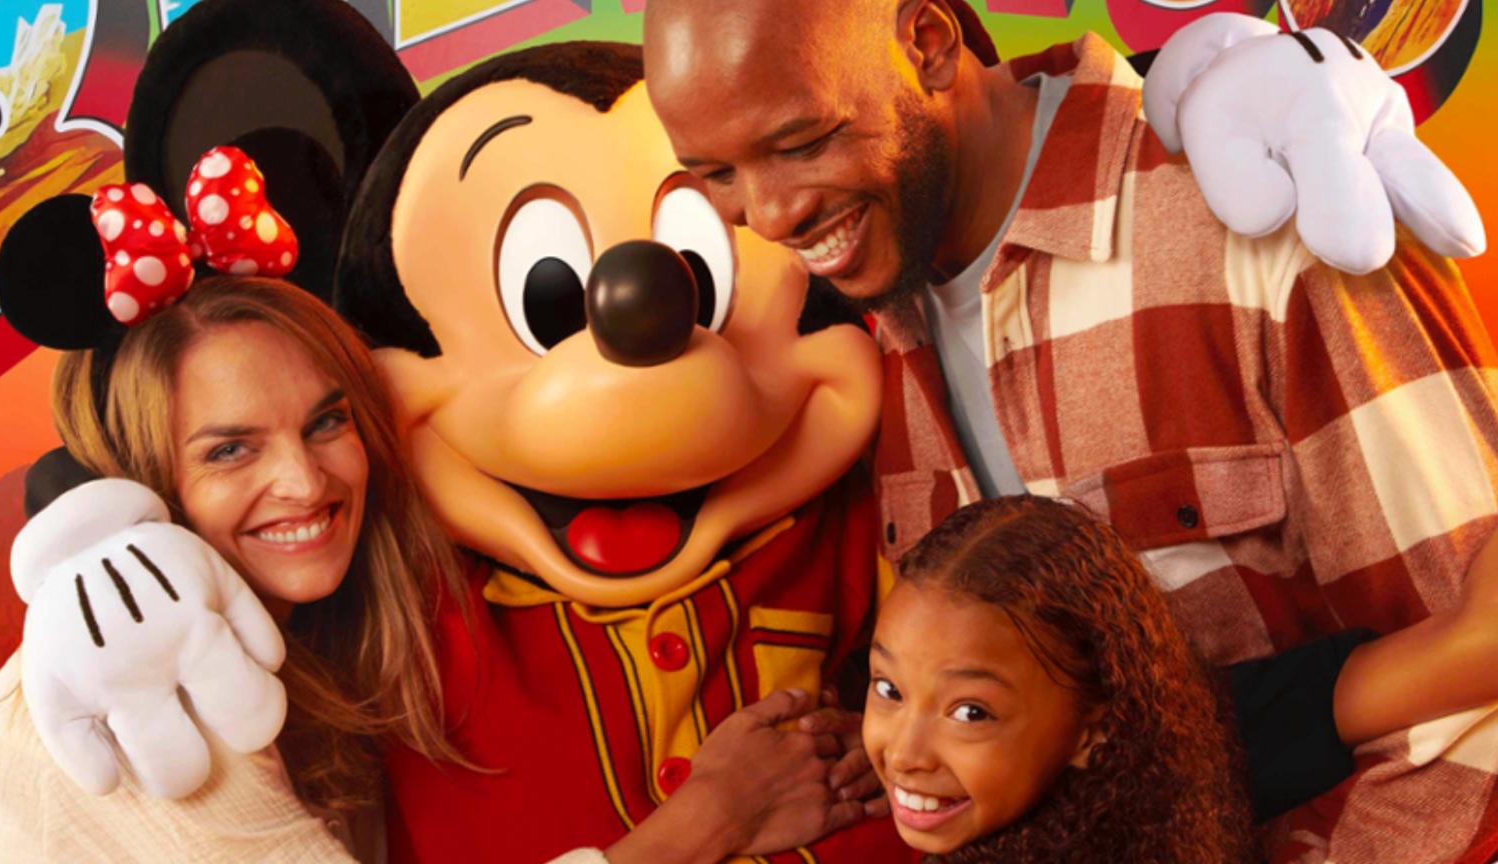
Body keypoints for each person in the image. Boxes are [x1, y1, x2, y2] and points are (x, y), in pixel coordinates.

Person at [642, 1, 1498, 859]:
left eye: (801, 144)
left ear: (928, 43)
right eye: (715, 174)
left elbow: (1477, 690)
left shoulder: (1258, 199)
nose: (770, 212)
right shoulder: (862, 311)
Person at [0, 276, 873, 863]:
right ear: (140, 488)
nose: (305, 482)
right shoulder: (129, 681)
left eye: (326, 422)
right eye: (231, 450)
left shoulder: (326, 638)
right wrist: (710, 818)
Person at [865, 496, 1498, 862]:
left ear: (1096, 728)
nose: (905, 755)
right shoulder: (1199, 735)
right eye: (889, 690)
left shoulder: (1216, 740)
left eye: (970, 712)